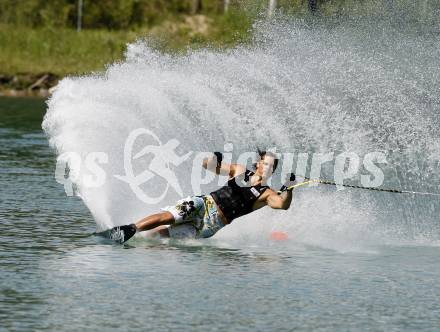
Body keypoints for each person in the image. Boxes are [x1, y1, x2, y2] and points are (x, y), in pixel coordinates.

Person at [109, 150, 295, 243]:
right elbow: (208, 166)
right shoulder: (239, 170)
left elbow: (282, 204)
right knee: (168, 217)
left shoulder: (268, 193)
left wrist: (289, 188)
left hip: (211, 225)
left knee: (164, 236)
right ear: (259, 163)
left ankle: (139, 244)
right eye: (266, 163)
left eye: (272, 166)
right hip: (202, 204)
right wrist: (213, 159)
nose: (268, 167)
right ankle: (128, 230)